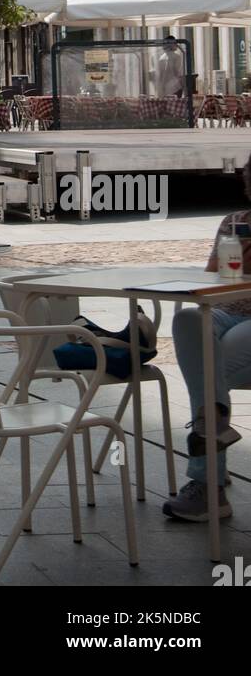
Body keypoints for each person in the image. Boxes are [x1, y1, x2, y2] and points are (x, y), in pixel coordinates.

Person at [163, 164, 251, 523]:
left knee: (210, 365)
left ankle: (207, 483)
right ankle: (213, 435)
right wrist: (233, 261)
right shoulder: (234, 222)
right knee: (187, 318)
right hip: (226, 310)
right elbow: (210, 281)